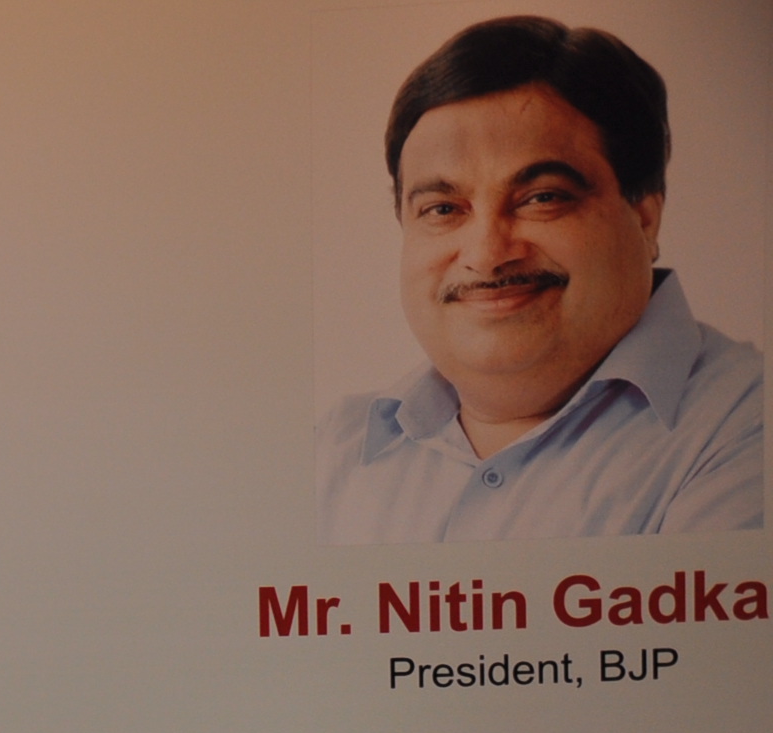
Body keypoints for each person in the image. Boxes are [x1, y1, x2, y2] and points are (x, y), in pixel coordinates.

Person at [316, 15, 761, 543]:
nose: (486, 255)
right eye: (442, 208)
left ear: (645, 215)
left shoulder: (748, 426)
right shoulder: (331, 453)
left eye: (542, 198)